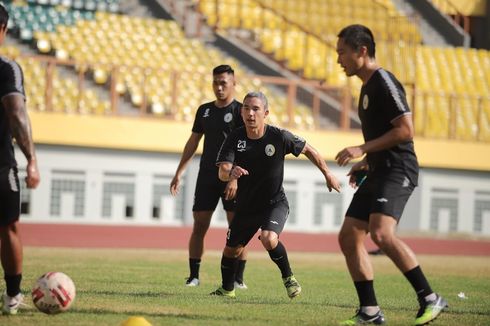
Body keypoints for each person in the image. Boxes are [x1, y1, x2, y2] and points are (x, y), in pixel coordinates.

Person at [334, 24, 447, 325]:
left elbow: (405, 131)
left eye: (342, 53)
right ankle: (370, 311)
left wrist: (361, 149)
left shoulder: (384, 81)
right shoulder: (366, 87)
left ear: (362, 51)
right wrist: (368, 161)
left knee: (382, 233)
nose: (338, 60)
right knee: (348, 237)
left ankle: (430, 298)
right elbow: (385, 134)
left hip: (399, 170)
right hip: (379, 169)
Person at [211, 91, 341, 298]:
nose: (250, 113)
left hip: (274, 203)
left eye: (255, 109)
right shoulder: (235, 138)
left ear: (266, 113)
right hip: (246, 206)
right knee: (231, 250)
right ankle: (227, 290)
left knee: (269, 239)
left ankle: (288, 278)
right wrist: (230, 173)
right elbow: (222, 171)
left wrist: (328, 174)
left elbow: (309, 150)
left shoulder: (279, 136)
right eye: (246, 108)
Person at [170, 65, 248, 288]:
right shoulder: (204, 110)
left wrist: (234, 177)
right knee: (199, 225)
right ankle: (194, 276)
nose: (219, 87)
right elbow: (193, 142)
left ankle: (238, 278)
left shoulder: (241, 111)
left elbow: (246, 148)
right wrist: (179, 172)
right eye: (216, 82)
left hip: (232, 178)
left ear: (234, 83)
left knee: (238, 228)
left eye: (224, 82)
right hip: (207, 177)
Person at [0, 3, 41, 315]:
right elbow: (16, 112)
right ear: (3, 30)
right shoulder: (7, 68)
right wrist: (31, 158)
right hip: (1, 164)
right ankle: (12, 296)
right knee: (9, 228)